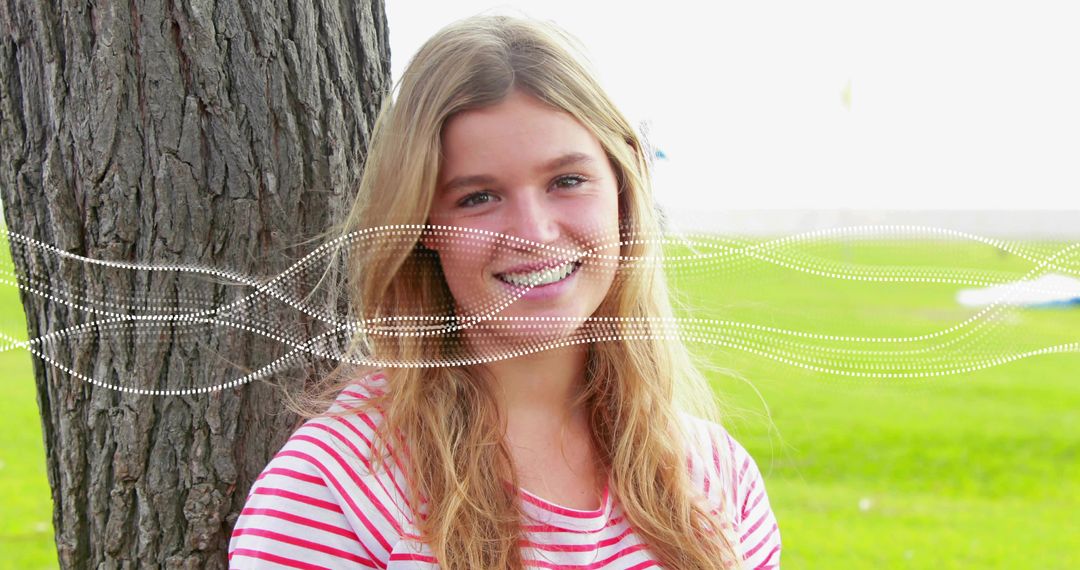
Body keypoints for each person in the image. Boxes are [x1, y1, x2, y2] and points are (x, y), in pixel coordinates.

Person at [228, 13, 780, 569]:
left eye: (567, 181)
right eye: (478, 198)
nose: (534, 233)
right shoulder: (333, 488)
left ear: (623, 186)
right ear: (423, 226)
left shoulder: (716, 479)